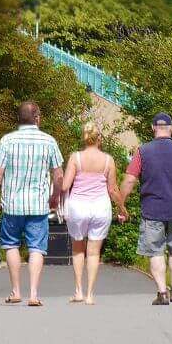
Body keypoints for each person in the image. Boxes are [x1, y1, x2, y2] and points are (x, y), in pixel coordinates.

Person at [119, 112, 172, 306]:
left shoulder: (143, 151)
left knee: (155, 250)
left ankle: (162, 292)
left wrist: (122, 206)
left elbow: (130, 179)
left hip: (152, 209)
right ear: (171, 128)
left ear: (152, 128)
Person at [0, 102, 64, 307]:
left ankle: (15, 291)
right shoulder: (49, 141)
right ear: (37, 118)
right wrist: (55, 197)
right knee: (37, 248)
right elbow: (58, 175)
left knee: (11, 244)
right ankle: (33, 294)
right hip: (38, 205)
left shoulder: (7, 141)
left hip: (12, 204)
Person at [61, 122, 125, 305]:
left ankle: (78, 291)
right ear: (99, 138)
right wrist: (122, 208)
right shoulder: (108, 160)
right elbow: (112, 190)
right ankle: (90, 294)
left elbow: (65, 185)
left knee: (78, 248)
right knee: (94, 252)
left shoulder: (75, 157)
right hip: (100, 207)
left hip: (78, 207)